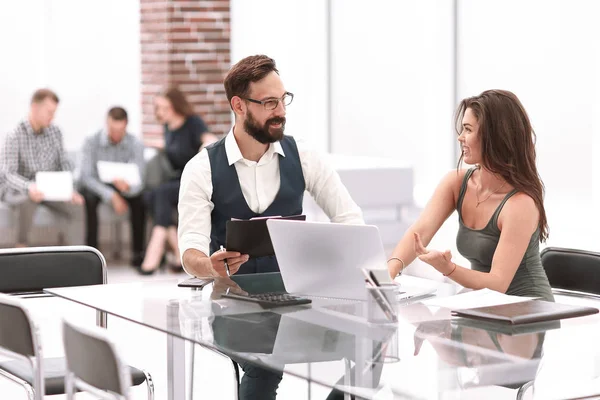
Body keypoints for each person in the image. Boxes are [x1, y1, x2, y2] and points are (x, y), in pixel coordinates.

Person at [177, 54, 364, 400]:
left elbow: (351, 220)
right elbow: (190, 251)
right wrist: (210, 266)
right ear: (239, 105)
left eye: (283, 100)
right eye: (268, 103)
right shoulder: (202, 168)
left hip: (298, 300)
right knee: (267, 359)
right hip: (233, 306)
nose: (281, 111)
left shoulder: (303, 156)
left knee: (374, 346)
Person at [387, 89, 553, 301]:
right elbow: (420, 231)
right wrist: (389, 271)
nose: (460, 137)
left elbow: (497, 283)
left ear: (494, 136)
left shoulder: (520, 204)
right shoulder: (456, 183)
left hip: (529, 309)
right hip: (485, 304)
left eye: (468, 130)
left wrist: (448, 268)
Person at [140, 87, 217, 274]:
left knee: (161, 194)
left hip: (192, 179)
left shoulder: (193, 123)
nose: (160, 113)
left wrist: (202, 153)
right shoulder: (167, 127)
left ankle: (155, 252)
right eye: (158, 108)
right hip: (177, 179)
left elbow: (209, 140)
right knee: (150, 195)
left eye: (163, 108)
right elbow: (172, 148)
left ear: (175, 106)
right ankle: (178, 252)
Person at [0, 88, 84, 247]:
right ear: (34, 107)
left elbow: (63, 163)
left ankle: (78, 252)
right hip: (18, 189)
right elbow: (8, 173)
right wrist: (29, 187)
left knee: (76, 204)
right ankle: (21, 248)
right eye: (49, 112)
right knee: (27, 201)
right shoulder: (14, 134)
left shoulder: (55, 132)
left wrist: (69, 188)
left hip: (49, 188)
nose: (52, 117)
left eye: (54, 112)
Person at [79, 107, 146, 266]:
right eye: (112, 129)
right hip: (97, 186)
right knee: (88, 197)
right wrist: (112, 195)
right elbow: (86, 177)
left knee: (141, 200)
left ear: (126, 126)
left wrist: (128, 188)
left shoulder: (135, 143)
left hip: (124, 187)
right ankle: (91, 254)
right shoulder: (91, 141)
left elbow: (140, 180)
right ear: (106, 123)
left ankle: (138, 253)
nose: (116, 134)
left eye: (120, 130)